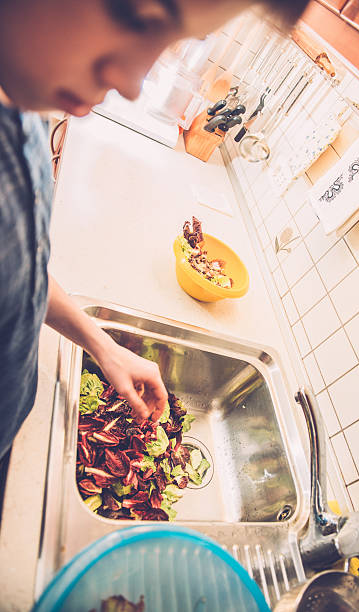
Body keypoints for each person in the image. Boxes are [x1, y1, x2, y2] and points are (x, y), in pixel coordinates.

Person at [0, 0, 307, 467]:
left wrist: (101, 344)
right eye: (134, 18)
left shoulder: (21, 109)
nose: (129, 83)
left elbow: (20, 276)